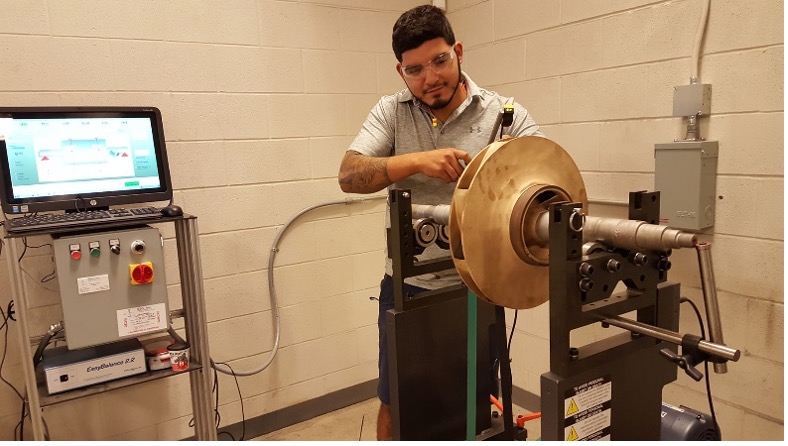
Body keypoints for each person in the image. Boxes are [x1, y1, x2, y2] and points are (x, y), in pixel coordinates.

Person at [337, 4, 543, 440]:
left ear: (459, 52)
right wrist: (417, 161)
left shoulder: (503, 115)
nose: (430, 78)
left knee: (470, 401)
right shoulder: (392, 112)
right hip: (408, 288)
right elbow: (349, 175)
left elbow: (545, 173)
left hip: (478, 287)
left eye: (439, 60)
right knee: (397, 403)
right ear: (401, 72)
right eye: (415, 70)